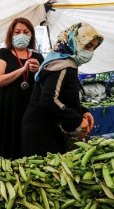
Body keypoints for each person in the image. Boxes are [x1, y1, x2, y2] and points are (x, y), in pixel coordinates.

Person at [21, 22, 104, 156]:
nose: (90, 52)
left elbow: (62, 96)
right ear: (73, 41)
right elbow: (49, 100)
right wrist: (76, 120)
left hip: (43, 127)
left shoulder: (62, 61)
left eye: (94, 47)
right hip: (41, 131)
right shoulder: (63, 65)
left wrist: (82, 111)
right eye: (88, 46)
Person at [0, 17, 44, 159]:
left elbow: (44, 83)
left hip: (29, 108)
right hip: (6, 107)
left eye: (26, 32)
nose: (21, 35)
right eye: (17, 32)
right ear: (11, 35)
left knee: (26, 143)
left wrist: (38, 71)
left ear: (31, 35)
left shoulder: (38, 57)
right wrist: (23, 69)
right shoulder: (3, 54)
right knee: (5, 143)